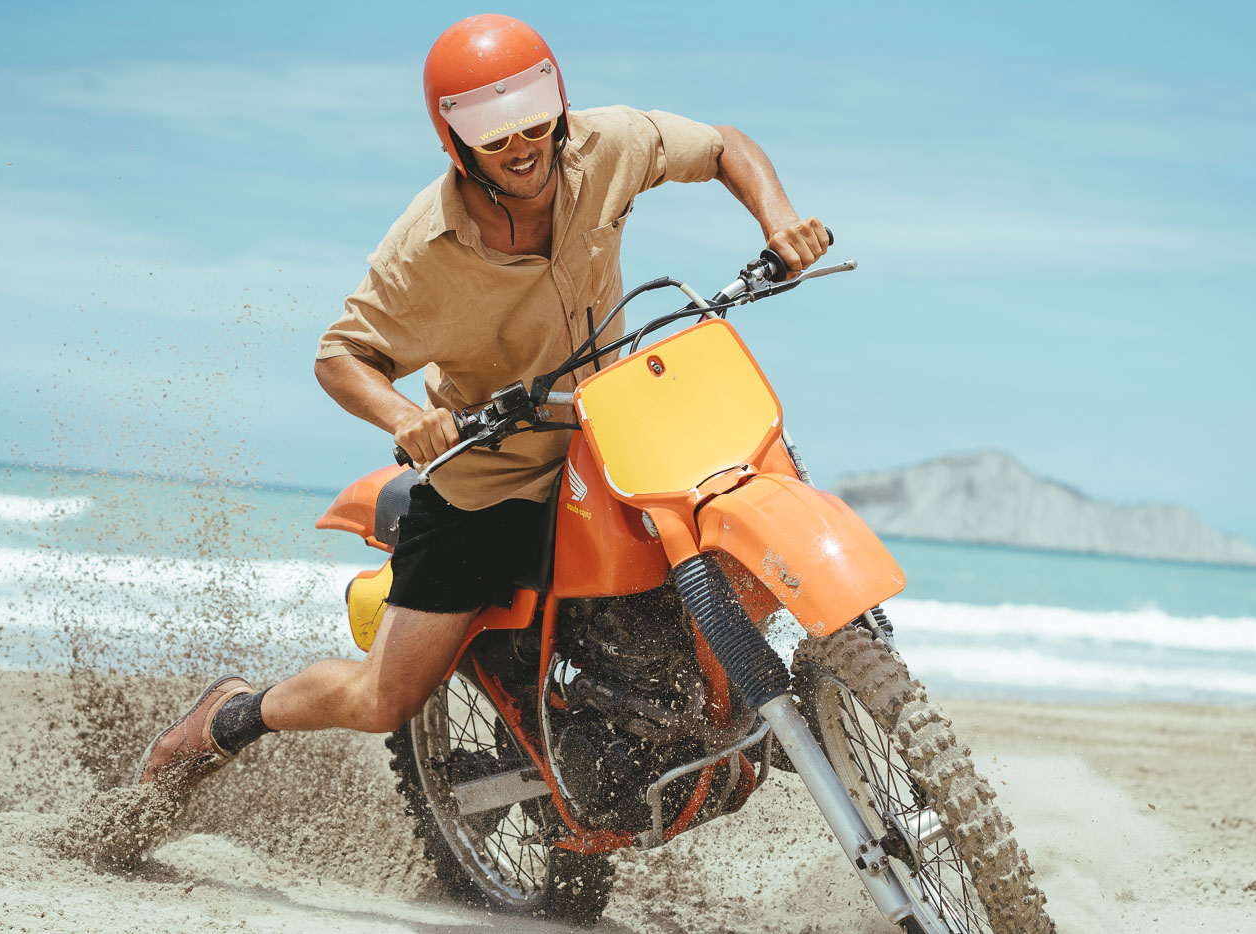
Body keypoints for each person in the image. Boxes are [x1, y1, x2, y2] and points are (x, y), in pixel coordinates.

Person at [136, 13, 828, 793]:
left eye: (532, 119)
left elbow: (724, 143)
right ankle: (235, 714)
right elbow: (340, 356)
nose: (522, 145)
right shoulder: (422, 250)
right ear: (454, 140)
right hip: (487, 479)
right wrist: (406, 419)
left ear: (557, 105)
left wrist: (780, 221)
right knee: (384, 697)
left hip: (608, 441)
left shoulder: (606, 146)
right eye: (493, 134)